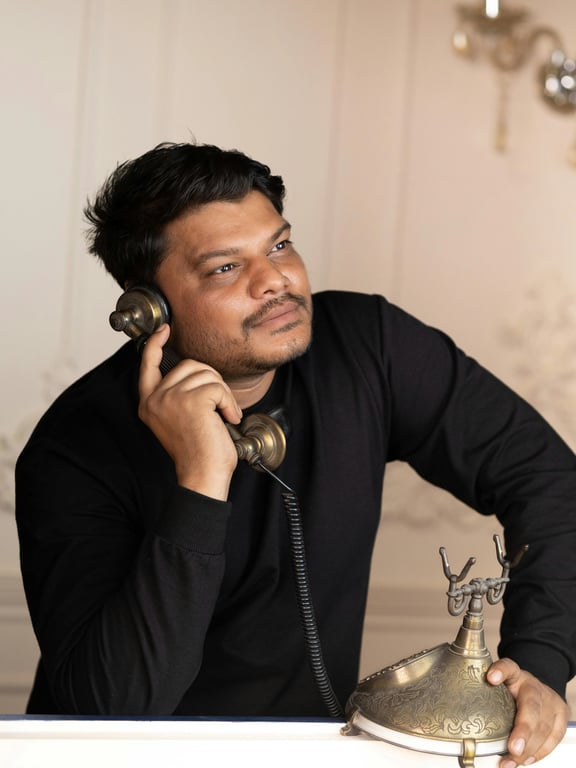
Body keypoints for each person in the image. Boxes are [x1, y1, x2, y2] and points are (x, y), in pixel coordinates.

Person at [15, 142, 574, 768]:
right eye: (226, 268)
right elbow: (112, 710)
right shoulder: (72, 448)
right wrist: (200, 483)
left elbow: (550, 481)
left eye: (279, 245)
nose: (276, 279)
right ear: (149, 310)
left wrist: (538, 663)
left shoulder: (369, 346)